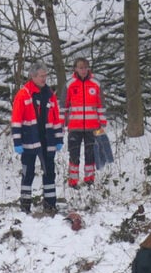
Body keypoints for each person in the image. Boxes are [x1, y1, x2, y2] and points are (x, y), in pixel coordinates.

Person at [11, 61, 64, 215]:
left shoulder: (49, 94)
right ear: (33, 76)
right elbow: (16, 119)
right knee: (28, 173)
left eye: (45, 76)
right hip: (29, 140)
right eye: (41, 76)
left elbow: (56, 118)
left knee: (49, 172)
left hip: (47, 140)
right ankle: (25, 205)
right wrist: (17, 141)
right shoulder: (23, 94)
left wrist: (59, 139)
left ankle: (50, 205)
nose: (44, 79)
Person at [64, 57, 107, 187]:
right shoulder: (69, 84)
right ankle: (73, 182)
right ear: (75, 69)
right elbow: (63, 105)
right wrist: (62, 123)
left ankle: (89, 181)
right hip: (75, 127)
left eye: (85, 67)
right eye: (80, 67)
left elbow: (101, 105)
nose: (83, 70)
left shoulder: (96, 84)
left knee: (91, 155)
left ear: (88, 68)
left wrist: (102, 123)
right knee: (74, 154)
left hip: (92, 127)